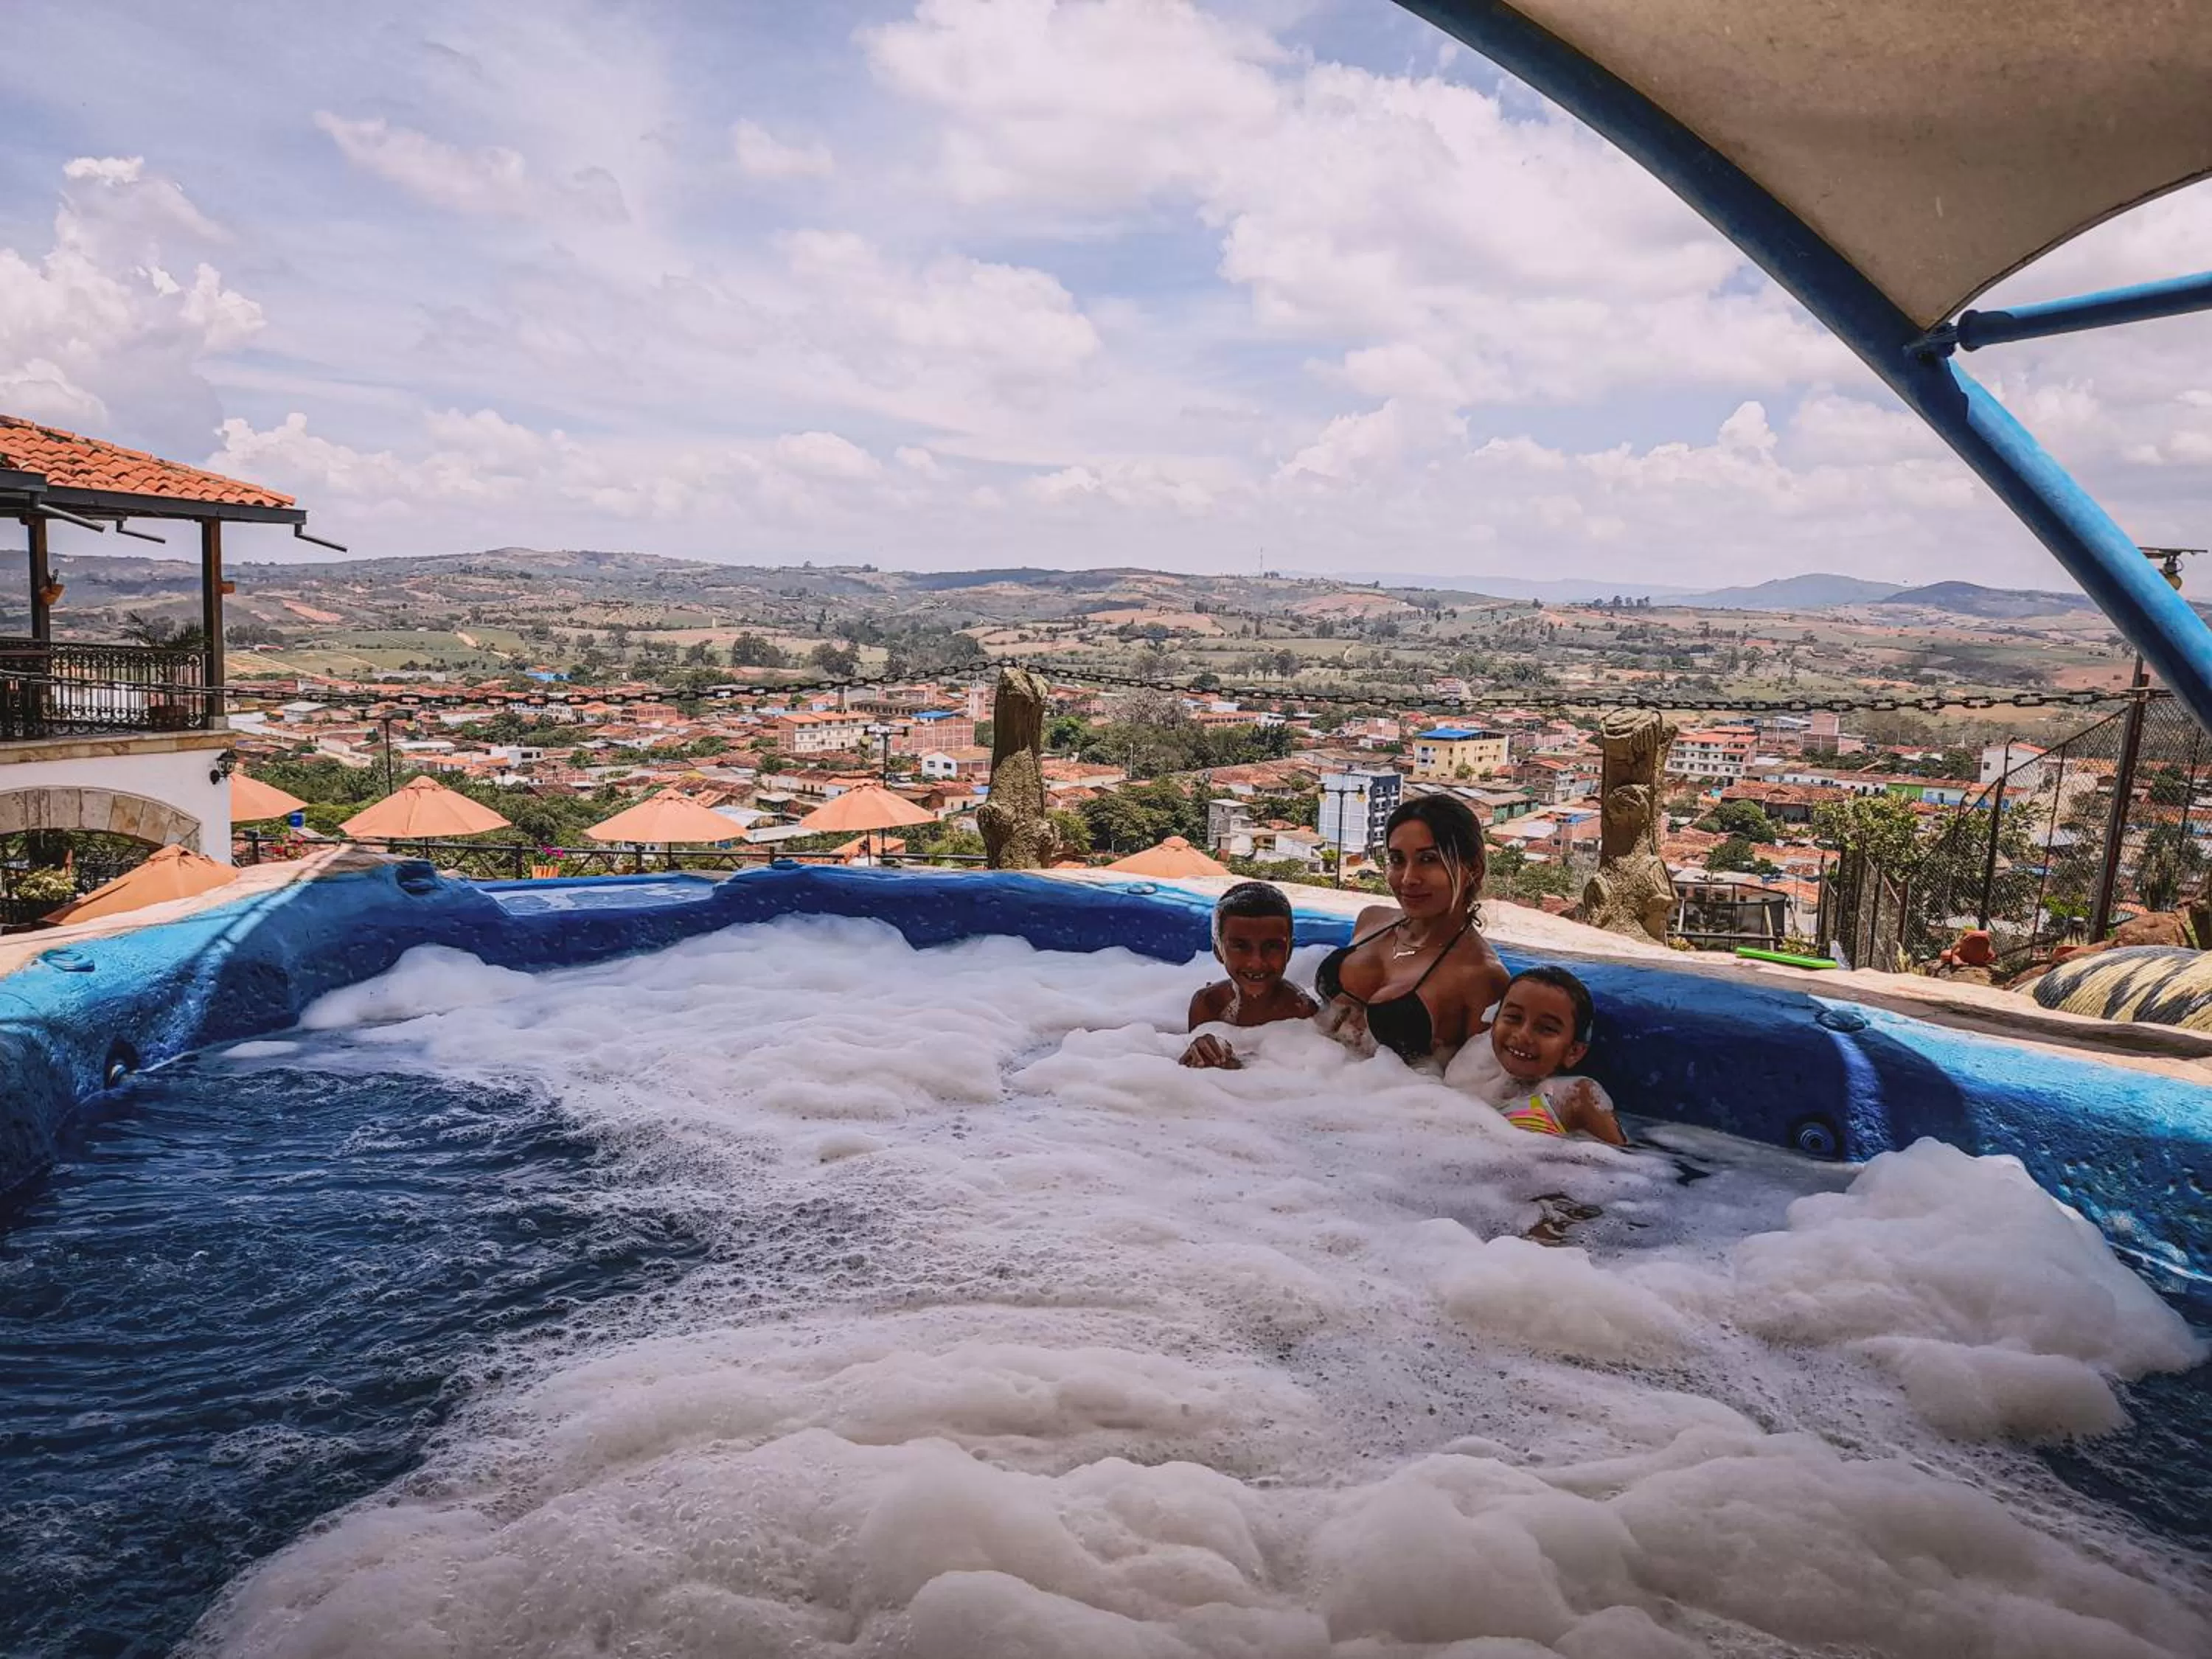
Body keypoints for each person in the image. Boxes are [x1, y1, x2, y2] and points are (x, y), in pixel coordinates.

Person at [1314, 794, 1509, 1066]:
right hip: (1293, 1071)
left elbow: (1481, 1084)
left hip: (1391, 1101)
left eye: (1428, 859)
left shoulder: (1481, 975)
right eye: (1397, 860)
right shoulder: (1371, 921)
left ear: (1472, 869)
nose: (1408, 879)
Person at [1445, 964, 1625, 1144]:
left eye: (1547, 1029)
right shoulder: (1468, 1071)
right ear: (1494, 1022)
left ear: (1574, 1052)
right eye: (1514, 1017)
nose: (1523, 1035)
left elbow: (1626, 1163)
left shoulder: (1576, 1096)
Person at [1181, 880, 1318, 1068]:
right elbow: (1193, 1076)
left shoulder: (1299, 1008)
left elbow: (1307, 1073)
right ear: (1217, 951)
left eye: (1272, 947)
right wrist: (1201, 1050)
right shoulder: (1208, 1003)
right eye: (1240, 946)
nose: (1256, 962)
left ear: (1290, 951)